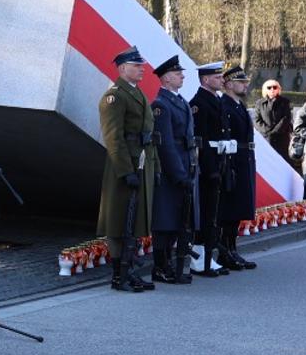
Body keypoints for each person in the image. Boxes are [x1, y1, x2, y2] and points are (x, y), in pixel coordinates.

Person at [97, 47, 156, 292]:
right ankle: (119, 275)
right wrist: (125, 170)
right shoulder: (115, 96)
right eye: (136, 65)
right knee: (119, 221)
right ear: (122, 69)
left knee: (133, 222)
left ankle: (129, 269)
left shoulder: (136, 93)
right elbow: (113, 137)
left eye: (141, 65)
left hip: (140, 163)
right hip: (124, 166)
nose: (142, 68)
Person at [149, 57, 196, 285]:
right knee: (164, 220)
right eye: (178, 73)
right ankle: (160, 266)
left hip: (184, 164)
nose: (182, 76)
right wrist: (178, 175)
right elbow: (166, 144)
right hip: (170, 171)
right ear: (166, 77)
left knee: (178, 219)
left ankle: (170, 263)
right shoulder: (160, 104)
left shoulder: (180, 101)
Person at [189, 62, 233, 277]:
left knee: (214, 212)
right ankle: (199, 259)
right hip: (208, 164)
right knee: (205, 212)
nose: (221, 81)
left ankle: (209, 256)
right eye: (217, 77)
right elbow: (201, 140)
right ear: (206, 80)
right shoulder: (199, 103)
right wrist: (209, 167)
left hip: (220, 160)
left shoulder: (216, 100)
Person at [219, 66, 259, 270]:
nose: (245, 85)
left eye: (245, 82)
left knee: (239, 206)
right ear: (229, 84)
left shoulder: (239, 104)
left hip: (245, 158)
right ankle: (225, 250)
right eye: (241, 82)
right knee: (231, 207)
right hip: (234, 159)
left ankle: (232, 248)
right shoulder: (225, 105)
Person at [254, 80, 294, 166]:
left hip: (281, 139)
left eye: (275, 87)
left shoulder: (285, 102)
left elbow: (286, 118)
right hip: (266, 139)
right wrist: (268, 131)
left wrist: (275, 131)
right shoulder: (259, 103)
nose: (272, 89)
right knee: (267, 164)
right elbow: (257, 120)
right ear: (265, 90)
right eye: (269, 88)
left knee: (282, 163)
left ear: (278, 89)